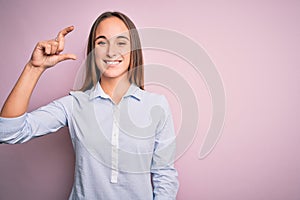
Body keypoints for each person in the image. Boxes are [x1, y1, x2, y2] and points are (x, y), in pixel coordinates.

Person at [0, 11, 179, 199]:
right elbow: (7, 132)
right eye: (101, 42)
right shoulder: (74, 104)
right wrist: (33, 68)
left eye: (121, 42)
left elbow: (164, 174)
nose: (111, 51)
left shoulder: (156, 105)